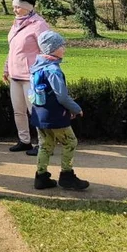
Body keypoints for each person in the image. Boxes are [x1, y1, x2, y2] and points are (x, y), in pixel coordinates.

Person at [31, 31, 89, 190]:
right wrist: (76, 109)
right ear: (52, 48)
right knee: (71, 142)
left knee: (45, 145)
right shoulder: (53, 70)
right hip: (55, 116)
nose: (64, 48)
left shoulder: (36, 67)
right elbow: (61, 97)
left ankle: (41, 177)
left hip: (40, 114)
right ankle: (67, 175)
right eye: (61, 45)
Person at [4, 0, 50, 156]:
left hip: (31, 76)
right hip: (15, 75)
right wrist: (6, 67)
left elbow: (47, 50)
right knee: (18, 110)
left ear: (28, 8)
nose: (15, 10)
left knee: (36, 111)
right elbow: (12, 48)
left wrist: (41, 71)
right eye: (14, 7)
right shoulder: (15, 24)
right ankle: (24, 141)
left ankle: (44, 143)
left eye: (18, 7)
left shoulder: (39, 25)